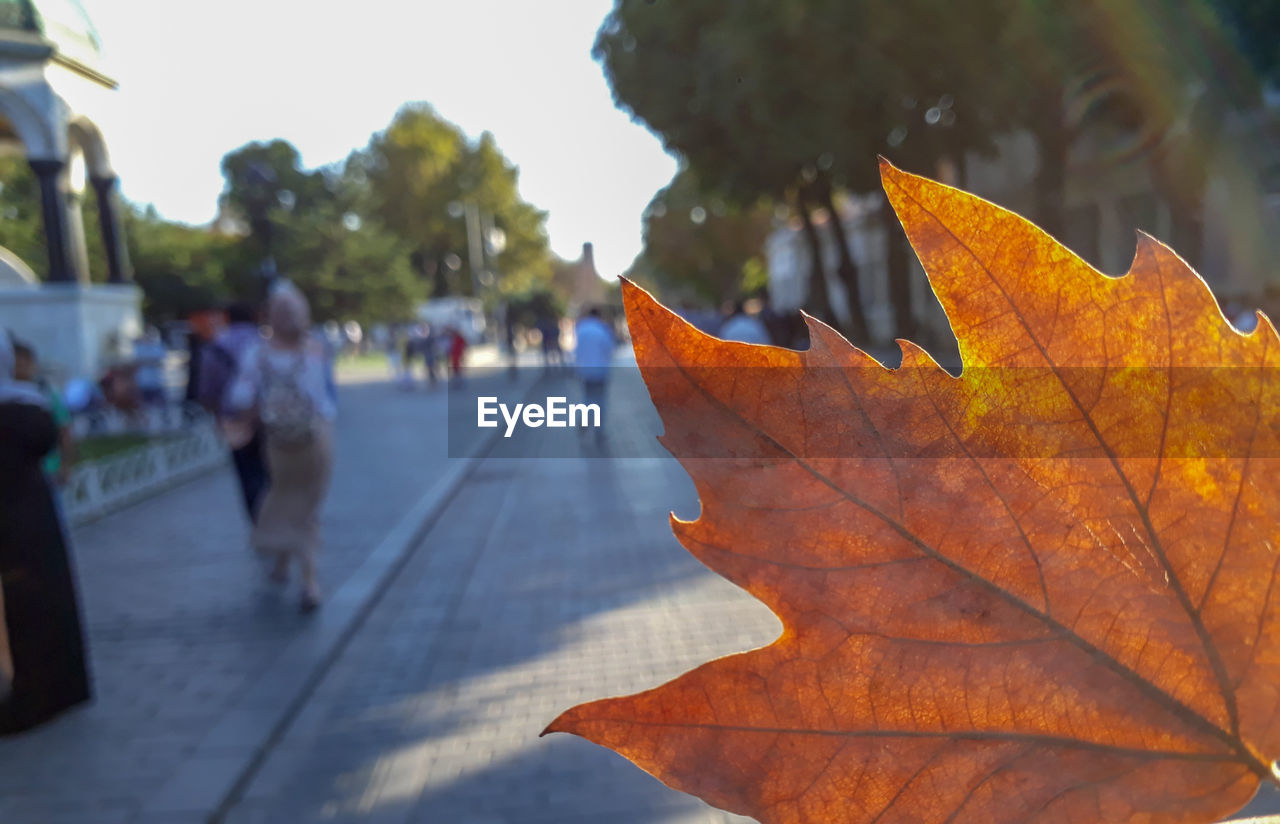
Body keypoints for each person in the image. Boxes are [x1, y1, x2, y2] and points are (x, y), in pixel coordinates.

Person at [0, 330, 92, 733]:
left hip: (12, 518)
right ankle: (61, 687)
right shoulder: (28, 404)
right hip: (34, 513)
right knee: (44, 600)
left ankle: (25, 695)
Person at [227, 283, 336, 612]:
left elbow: (326, 397)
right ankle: (291, 565)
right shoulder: (261, 353)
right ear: (272, 314)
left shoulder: (315, 348)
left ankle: (308, 579)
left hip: (314, 438)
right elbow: (240, 395)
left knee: (307, 504)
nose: (289, 316)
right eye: (283, 310)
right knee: (290, 497)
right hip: (282, 443)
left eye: (294, 310)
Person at [198, 301, 270, 523]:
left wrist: (216, 414)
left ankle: (257, 521)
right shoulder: (266, 343)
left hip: (233, 418)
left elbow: (207, 389)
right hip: (266, 415)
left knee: (246, 471)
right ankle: (274, 518)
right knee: (270, 469)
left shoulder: (216, 346)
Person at [12, 340, 76, 488]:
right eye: (16, 365)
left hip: (47, 471)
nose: (20, 370)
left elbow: (64, 432)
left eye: (24, 364)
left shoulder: (46, 395)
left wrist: (66, 466)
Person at [574, 307, 616, 440]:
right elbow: (609, 348)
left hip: (585, 370)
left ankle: (585, 419)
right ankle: (599, 429)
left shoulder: (581, 329)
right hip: (600, 370)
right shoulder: (602, 329)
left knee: (588, 397)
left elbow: (576, 349)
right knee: (600, 399)